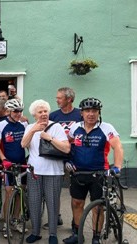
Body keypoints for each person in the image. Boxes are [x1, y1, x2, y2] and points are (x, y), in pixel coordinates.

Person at [62, 98, 123, 244]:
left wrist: (117, 167)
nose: (91, 114)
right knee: (77, 203)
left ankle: (96, 237)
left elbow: (118, 147)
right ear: (81, 113)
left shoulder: (106, 128)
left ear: (98, 113)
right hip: (78, 173)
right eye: (87, 111)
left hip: (99, 173)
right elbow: (66, 144)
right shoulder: (74, 128)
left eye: (94, 111)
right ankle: (77, 234)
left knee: (98, 207)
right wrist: (67, 159)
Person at [21, 100, 70, 244]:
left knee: (52, 203)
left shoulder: (56, 127)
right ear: (34, 114)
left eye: (45, 111)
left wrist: (49, 138)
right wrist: (33, 130)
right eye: (40, 112)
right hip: (34, 171)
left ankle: (53, 234)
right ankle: (35, 232)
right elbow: (24, 144)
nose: (43, 114)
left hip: (54, 172)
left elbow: (66, 148)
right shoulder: (30, 127)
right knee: (34, 202)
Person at [44, 87, 81, 229]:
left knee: (76, 193)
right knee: (55, 190)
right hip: (58, 157)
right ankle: (56, 218)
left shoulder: (80, 115)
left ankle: (76, 222)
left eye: (59, 97)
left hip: (76, 158)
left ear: (69, 99)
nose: (57, 100)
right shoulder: (53, 116)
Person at [0, 99, 27, 237]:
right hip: (8, 163)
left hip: (22, 162)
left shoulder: (24, 124)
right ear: (8, 111)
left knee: (21, 192)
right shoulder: (0, 125)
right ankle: (6, 223)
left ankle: (15, 219)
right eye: (15, 111)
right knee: (9, 192)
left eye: (20, 111)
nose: (18, 114)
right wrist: (3, 159)